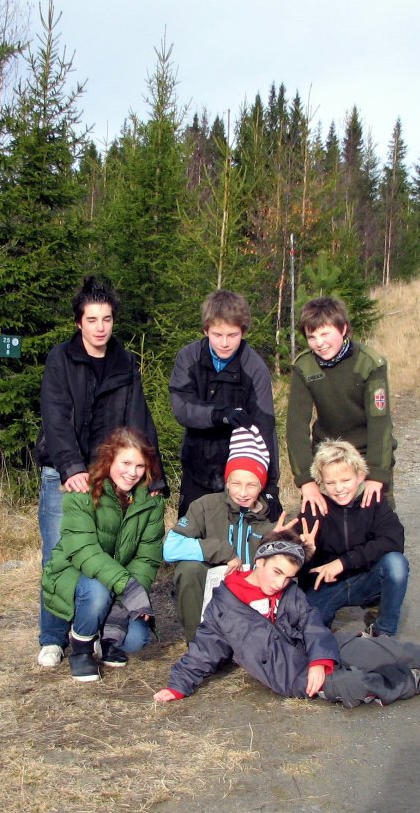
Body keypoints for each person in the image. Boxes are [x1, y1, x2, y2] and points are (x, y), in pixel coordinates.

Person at [152, 529, 420, 707]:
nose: (280, 582)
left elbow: (311, 622)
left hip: (320, 652)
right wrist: (177, 686)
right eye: (277, 572)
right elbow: (204, 650)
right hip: (294, 676)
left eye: (289, 577)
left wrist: (321, 657)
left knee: (380, 650)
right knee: (357, 685)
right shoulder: (224, 607)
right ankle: (408, 681)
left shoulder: (288, 592)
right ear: (260, 563)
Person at [34, 277, 166, 668]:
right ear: (79, 322)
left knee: (108, 552)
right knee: (58, 554)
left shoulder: (125, 363)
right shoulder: (61, 359)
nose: (100, 327)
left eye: (106, 319)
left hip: (112, 476)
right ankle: (53, 637)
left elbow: (138, 419)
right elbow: (55, 417)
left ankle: (99, 633)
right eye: (92, 320)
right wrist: (71, 468)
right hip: (63, 471)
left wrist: (153, 477)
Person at [40, 427, 166, 683]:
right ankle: (81, 647)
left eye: (140, 466)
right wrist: (127, 586)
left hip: (119, 582)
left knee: (136, 639)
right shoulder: (82, 492)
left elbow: (147, 557)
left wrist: (128, 594)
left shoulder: (152, 502)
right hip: (76, 574)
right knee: (97, 589)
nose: (132, 473)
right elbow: (85, 551)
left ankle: (105, 635)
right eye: (126, 463)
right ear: (110, 459)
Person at [169, 289, 279, 519]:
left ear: (243, 331)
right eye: (217, 335)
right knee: (191, 535)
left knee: (237, 543)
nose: (225, 343)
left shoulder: (255, 368)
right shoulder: (189, 358)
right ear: (205, 330)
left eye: (233, 335)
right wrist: (221, 414)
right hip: (196, 465)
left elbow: (265, 427)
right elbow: (182, 407)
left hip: (239, 471)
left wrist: (271, 486)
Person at [162, 425, 277, 641]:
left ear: (261, 486)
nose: (242, 493)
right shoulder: (205, 506)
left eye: (252, 485)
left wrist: (295, 545)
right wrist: (222, 550)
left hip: (247, 596)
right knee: (188, 570)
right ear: (227, 481)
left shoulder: (269, 519)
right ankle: (198, 644)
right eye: (236, 483)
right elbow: (170, 548)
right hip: (210, 592)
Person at [287, 296, 395, 517]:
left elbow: (380, 424)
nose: (320, 343)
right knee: (317, 523)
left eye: (325, 334)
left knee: (378, 523)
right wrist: (306, 481)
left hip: (365, 453)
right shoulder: (304, 366)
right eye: (312, 337)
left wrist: (377, 475)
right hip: (325, 456)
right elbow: (296, 427)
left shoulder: (369, 363)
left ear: (343, 328)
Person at [298, 439, 408, 637]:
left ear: (360, 476)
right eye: (330, 483)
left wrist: (343, 562)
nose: (339, 489)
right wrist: (304, 552)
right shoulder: (314, 507)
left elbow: (394, 540)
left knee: (396, 564)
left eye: (345, 480)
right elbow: (291, 552)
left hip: (364, 579)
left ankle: (384, 631)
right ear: (321, 482)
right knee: (309, 634)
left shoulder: (373, 500)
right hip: (325, 585)